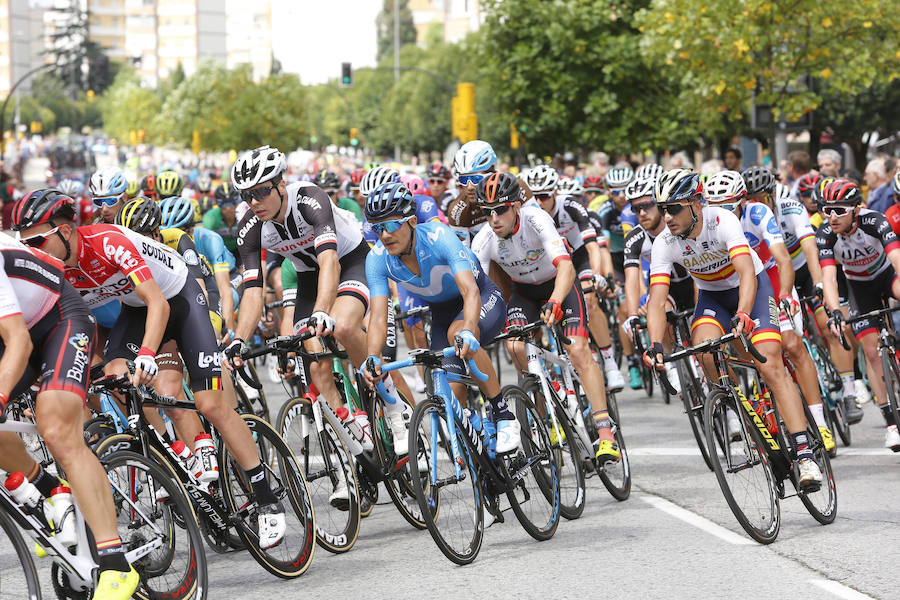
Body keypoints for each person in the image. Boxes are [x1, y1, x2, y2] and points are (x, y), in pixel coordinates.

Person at [12, 189, 288, 550]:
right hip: (134, 309)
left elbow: (158, 302)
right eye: (25, 244)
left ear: (65, 232)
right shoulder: (54, 270)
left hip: (180, 298)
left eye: (38, 241)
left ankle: (266, 495)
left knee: (210, 404)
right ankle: (172, 452)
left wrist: (146, 352)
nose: (33, 250)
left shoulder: (109, 241)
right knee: (113, 374)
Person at [644, 169, 822, 490]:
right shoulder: (664, 242)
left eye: (673, 208)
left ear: (697, 205)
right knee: (706, 351)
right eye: (662, 208)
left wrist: (743, 312)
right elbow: (657, 301)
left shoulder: (722, 221)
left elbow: (746, 272)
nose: (666, 216)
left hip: (751, 288)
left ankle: (805, 452)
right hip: (713, 297)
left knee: (770, 365)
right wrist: (656, 344)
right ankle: (735, 414)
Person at [0, 193, 139, 598]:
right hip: (17, 326)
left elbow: (18, 343)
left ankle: (116, 563)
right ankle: (48, 489)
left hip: (58, 317)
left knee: (57, 429)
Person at [471, 173, 619, 462]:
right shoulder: (484, 239)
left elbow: (565, 267)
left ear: (516, 206)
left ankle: (605, 432)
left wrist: (555, 300)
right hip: (524, 293)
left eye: (501, 210)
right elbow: (475, 288)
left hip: (559, 284)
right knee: (515, 346)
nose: (494, 219)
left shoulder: (536, 219)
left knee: (577, 350)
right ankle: (548, 402)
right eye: (487, 213)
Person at [361, 181, 518, 452]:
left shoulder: (438, 236)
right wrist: (373, 356)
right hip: (442, 314)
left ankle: (503, 414)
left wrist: (469, 328)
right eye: (377, 228)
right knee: (450, 395)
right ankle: (483, 453)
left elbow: (470, 291)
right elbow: (377, 316)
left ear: (411, 221)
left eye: (390, 225)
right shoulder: (377, 259)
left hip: (480, 297)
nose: (384, 235)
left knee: (458, 334)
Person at [816, 179, 900, 451]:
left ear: (855, 208)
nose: (832, 216)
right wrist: (834, 312)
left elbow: (896, 257)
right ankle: (891, 424)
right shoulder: (825, 233)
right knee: (872, 352)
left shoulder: (875, 221)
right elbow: (828, 278)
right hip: (858, 287)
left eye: (839, 209)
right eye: (826, 209)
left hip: (886, 275)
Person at [528, 164, 625, 391]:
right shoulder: (530, 213)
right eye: (535, 197)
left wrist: (596, 276)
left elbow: (593, 247)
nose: (539, 202)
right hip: (552, 264)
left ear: (554, 193)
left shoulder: (570, 205)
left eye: (544, 196)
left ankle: (610, 363)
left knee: (590, 302)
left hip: (579, 257)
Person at [444, 139, 496, 247]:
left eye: (476, 179)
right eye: (464, 180)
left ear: (492, 174)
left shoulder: (517, 187)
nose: (469, 187)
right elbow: (464, 254)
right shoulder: (457, 210)